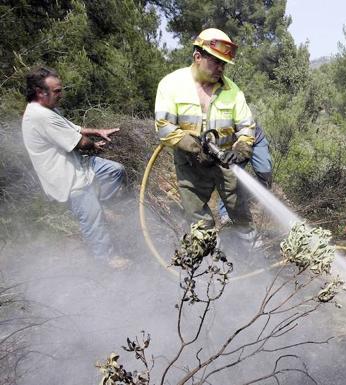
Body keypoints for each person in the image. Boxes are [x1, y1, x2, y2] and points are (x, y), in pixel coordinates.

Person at [21, 66, 129, 269]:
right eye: (57, 91)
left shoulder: (47, 110)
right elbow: (80, 142)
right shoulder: (39, 116)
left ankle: (100, 207)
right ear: (40, 92)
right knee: (92, 220)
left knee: (115, 171)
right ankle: (107, 263)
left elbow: (73, 128)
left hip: (79, 166)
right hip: (69, 180)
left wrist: (98, 131)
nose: (61, 94)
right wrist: (94, 145)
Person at [154, 28, 256, 238]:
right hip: (190, 164)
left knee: (240, 213)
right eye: (216, 62)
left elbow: (247, 127)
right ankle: (209, 263)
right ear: (198, 57)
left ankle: (249, 253)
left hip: (225, 162)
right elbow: (164, 126)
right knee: (198, 217)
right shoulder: (172, 84)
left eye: (224, 63)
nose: (221, 68)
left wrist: (240, 150)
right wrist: (194, 147)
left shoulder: (233, 91)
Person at [217, 122, 272, 225]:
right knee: (229, 177)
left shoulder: (238, 109)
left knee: (266, 176)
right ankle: (225, 214)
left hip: (255, 140)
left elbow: (246, 126)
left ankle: (252, 203)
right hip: (232, 147)